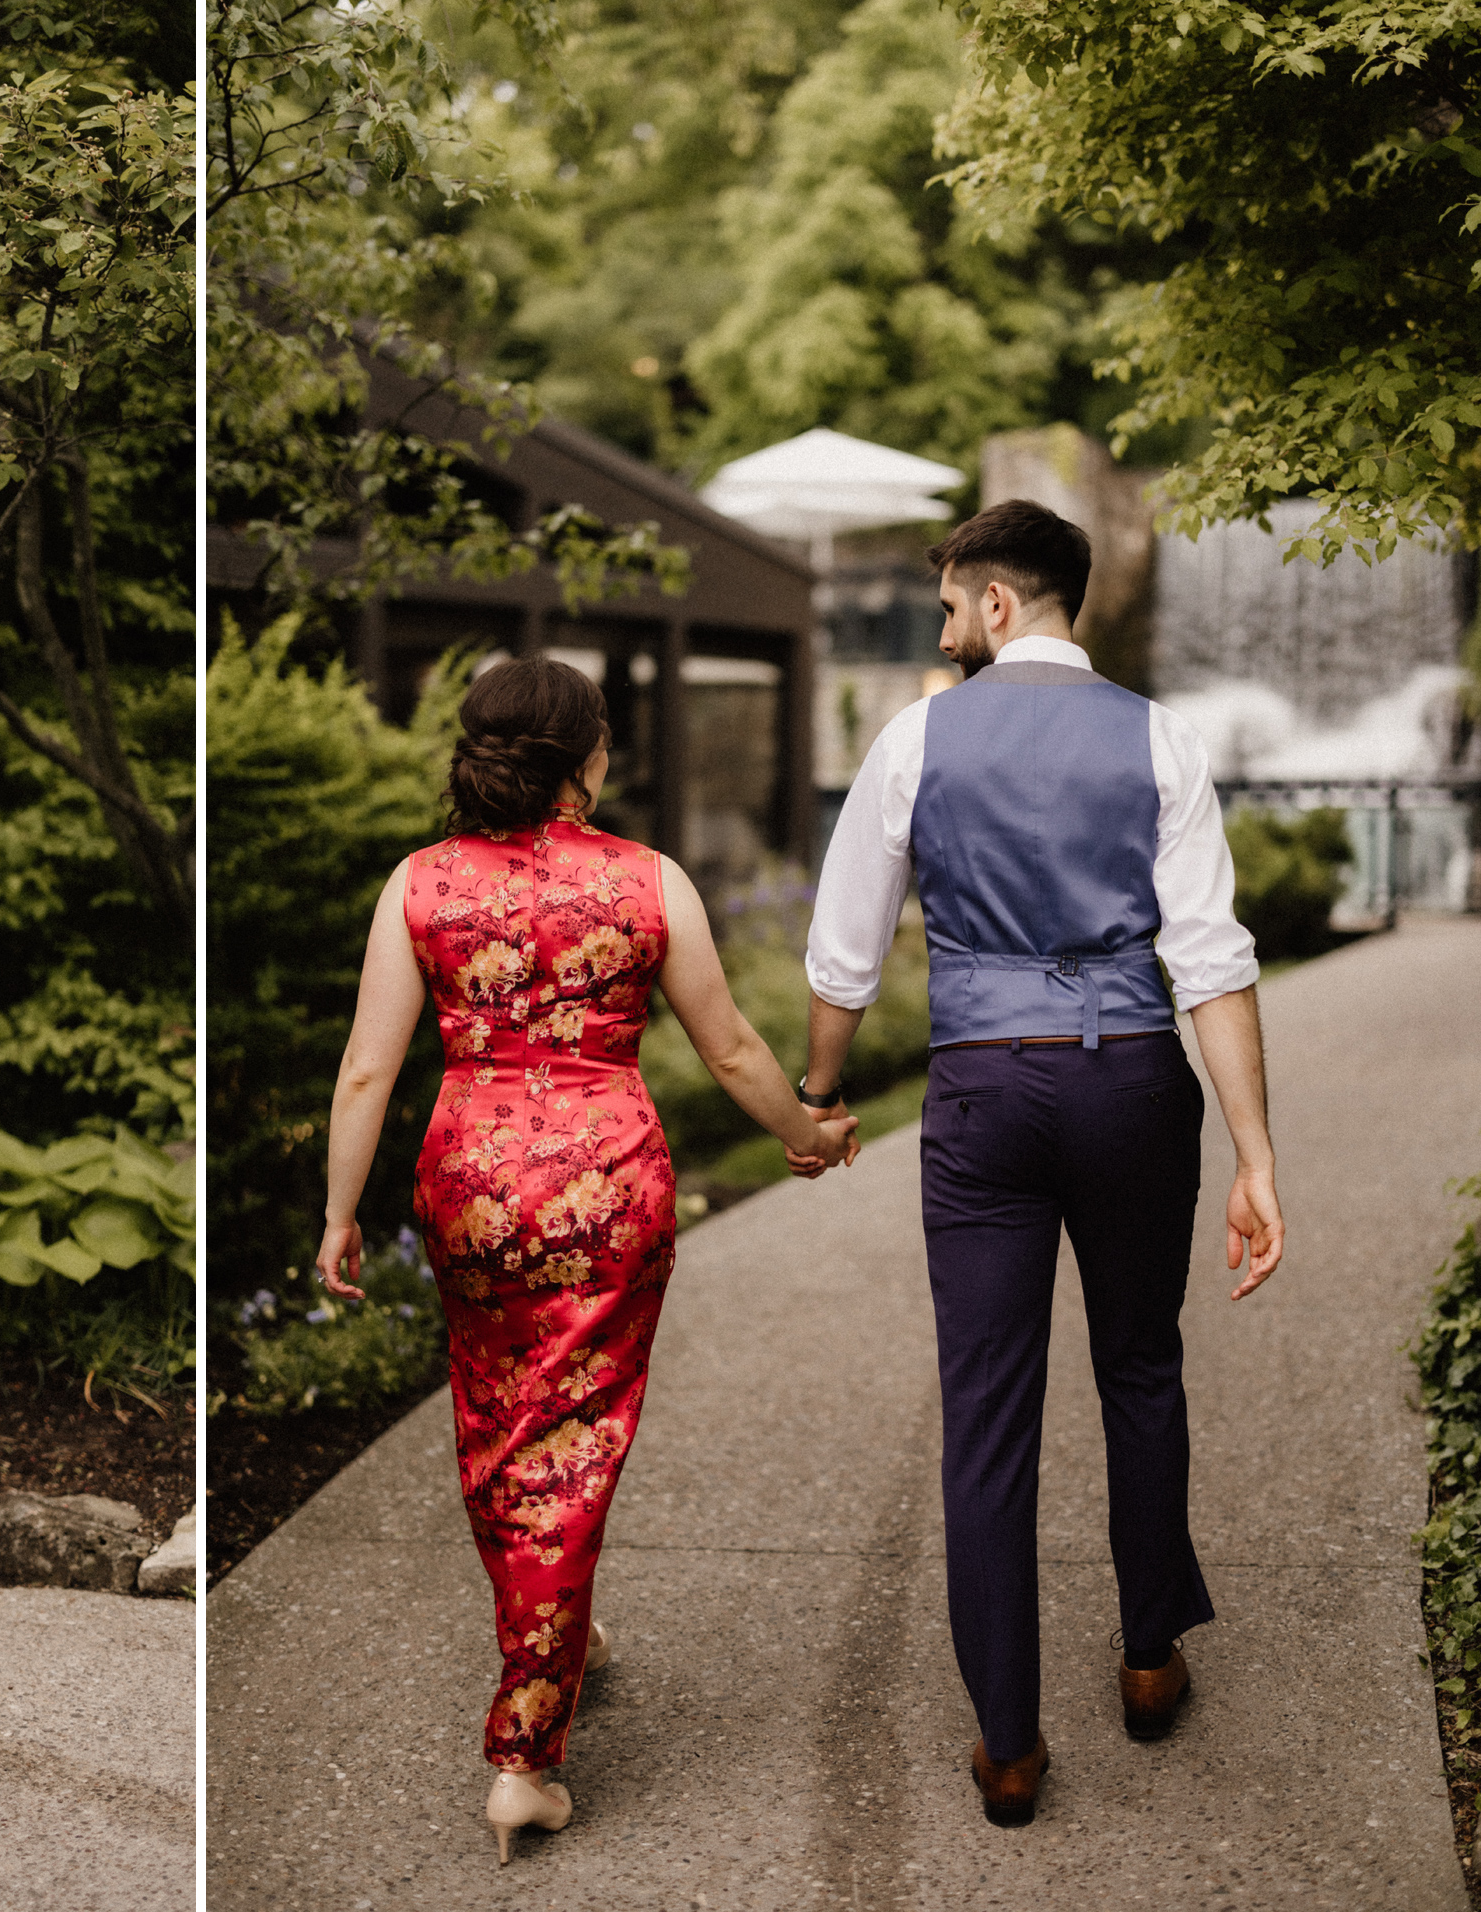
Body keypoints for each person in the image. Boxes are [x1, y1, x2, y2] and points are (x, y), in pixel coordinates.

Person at [314, 653, 858, 1866]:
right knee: (577, 1433)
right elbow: (726, 1047)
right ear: (585, 758)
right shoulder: (644, 878)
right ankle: (523, 1754)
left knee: (501, 1423)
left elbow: (366, 1064)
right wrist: (806, 1134)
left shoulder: (421, 882)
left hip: (469, 1183)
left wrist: (337, 1211)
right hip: (604, 1183)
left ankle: (560, 1629)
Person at [795, 498, 1284, 1828]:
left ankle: (1009, 1743)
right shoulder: (1160, 737)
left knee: (990, 1406)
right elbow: (1211, 959)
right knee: (1141, 1362)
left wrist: (821, 1096)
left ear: (999, 604)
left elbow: (845, 952)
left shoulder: (915, 741)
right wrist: (1256, 1158)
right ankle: (1145, 1658)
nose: (945, 630)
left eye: (952, 606)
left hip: (986, 1095)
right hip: (1132, 1083)